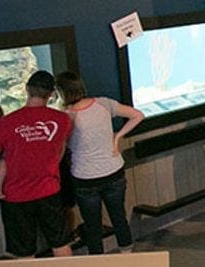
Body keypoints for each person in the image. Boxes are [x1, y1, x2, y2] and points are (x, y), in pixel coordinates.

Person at [0, 71, 74, 258]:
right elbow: (59, 151)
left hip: (16, 197)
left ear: (27, 89)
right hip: (49, 190)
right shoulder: (62, 120)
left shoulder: (5, 124)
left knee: (24, 253)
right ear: (52, 94)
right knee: (60, 243)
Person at [55, 71, 144, 255]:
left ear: (62, 92)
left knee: (92, 226)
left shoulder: (66, 116)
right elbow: (138, 115)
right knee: (119, 217)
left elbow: (61, 146)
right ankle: (128, 258)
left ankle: (98, 260)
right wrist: (117, 136)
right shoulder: (104, 103)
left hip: (85, 177)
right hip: (114, 170)